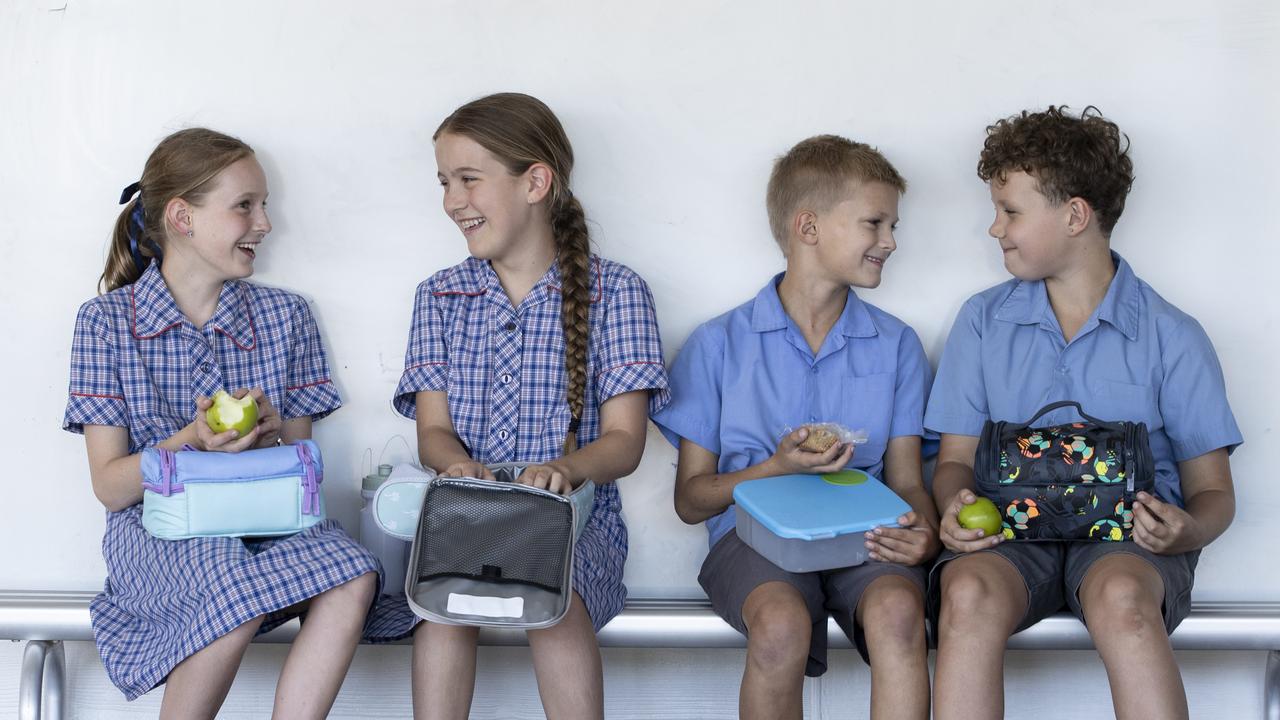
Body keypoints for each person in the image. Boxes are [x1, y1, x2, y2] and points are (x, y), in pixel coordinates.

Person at [927, 106, 1242, 720]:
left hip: (1129, 546)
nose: (995, 229)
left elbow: (1213, 493)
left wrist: (1189, 530)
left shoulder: (1172, 335)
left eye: (1010, 211)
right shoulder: (982, 322)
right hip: (1007, 538)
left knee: (1124, 597)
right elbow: (955, 461)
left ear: (1075, 215)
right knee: (964, 593)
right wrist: (953, 506)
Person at [364, 93, 669, 720]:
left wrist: (566, 471)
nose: (452, 200)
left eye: (469, 180)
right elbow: (434, 432)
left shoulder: (619, 292)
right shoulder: (439, 297)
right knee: (440, 609)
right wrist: (459, 468)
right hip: (463, 514)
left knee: (553, 600)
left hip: (573, 524)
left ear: (536, 182)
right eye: (445, 182)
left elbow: (625, 441)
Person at [63, 128, 379, 718]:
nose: (264, 223)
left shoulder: (288, 317)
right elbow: (109, 487)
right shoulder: (105, 324)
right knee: (227, 584)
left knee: (354, 572)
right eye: (245, 206)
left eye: (264, 206)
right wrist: (191, 444)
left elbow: (298, 468)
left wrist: (272, 431)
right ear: (183, 217)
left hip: (268, 521)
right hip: (159, 534)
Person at [651, 135, 938, 720]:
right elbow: (690, 501)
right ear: (809, 228)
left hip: (868, 539)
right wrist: (775, 468)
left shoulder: (897, 345)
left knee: (899, 615)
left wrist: (924, 532)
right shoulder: (717, 345)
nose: (890, 242)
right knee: (780, 626)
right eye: (875, 223)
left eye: (893, 226)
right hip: (754, 540)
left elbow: (908, 483)